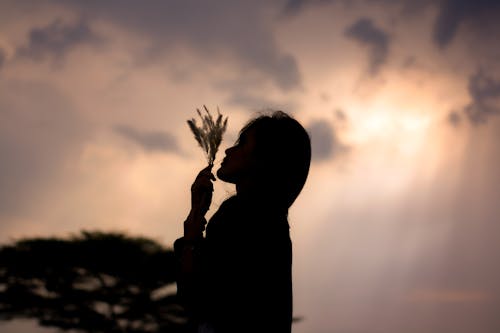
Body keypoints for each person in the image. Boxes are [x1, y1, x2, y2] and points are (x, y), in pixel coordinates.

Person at [174, 111, 311, 333]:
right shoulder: (271, 220)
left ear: (264, 159)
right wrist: (196, 215)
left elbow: (194, 297)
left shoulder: (241, 216)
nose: (228, 150)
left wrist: (193, 226)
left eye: (242, 144)